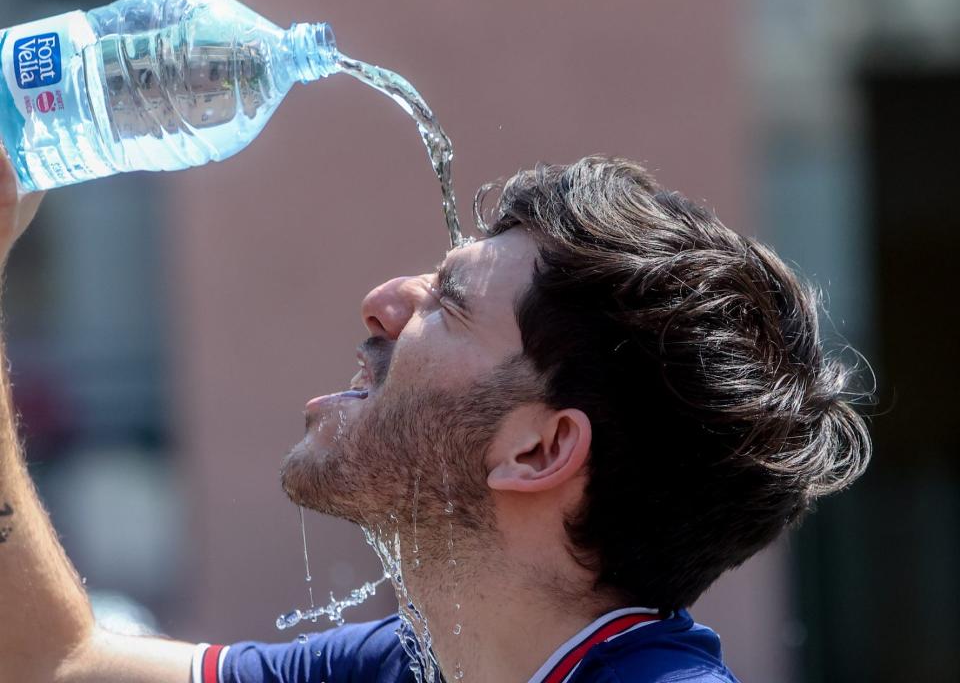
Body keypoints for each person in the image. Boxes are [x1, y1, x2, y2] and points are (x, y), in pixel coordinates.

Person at [0, 151, 871, 683]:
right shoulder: (409, 667)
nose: (382, 302)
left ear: (539, 449)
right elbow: (48, 664)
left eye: (448, 303)